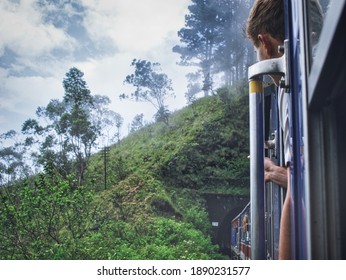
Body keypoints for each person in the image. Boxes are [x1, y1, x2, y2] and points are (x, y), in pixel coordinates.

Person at [245, 0, 323, 259]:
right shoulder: (321, 62)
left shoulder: (292, 79)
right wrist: (283, 173)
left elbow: (301, 193)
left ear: (265, 44)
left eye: (257, 49)